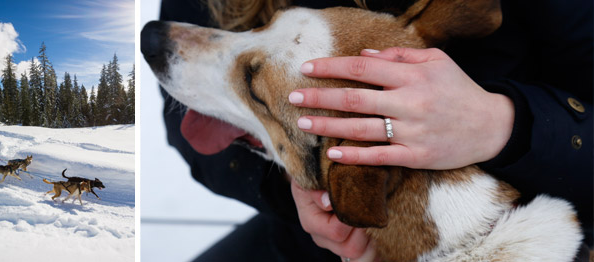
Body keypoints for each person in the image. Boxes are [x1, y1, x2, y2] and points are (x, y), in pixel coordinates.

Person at [156, 0, 593, 261]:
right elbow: (185, 131)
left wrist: (505, 123)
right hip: (324, 224)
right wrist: (304, 195)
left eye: (254, 81)